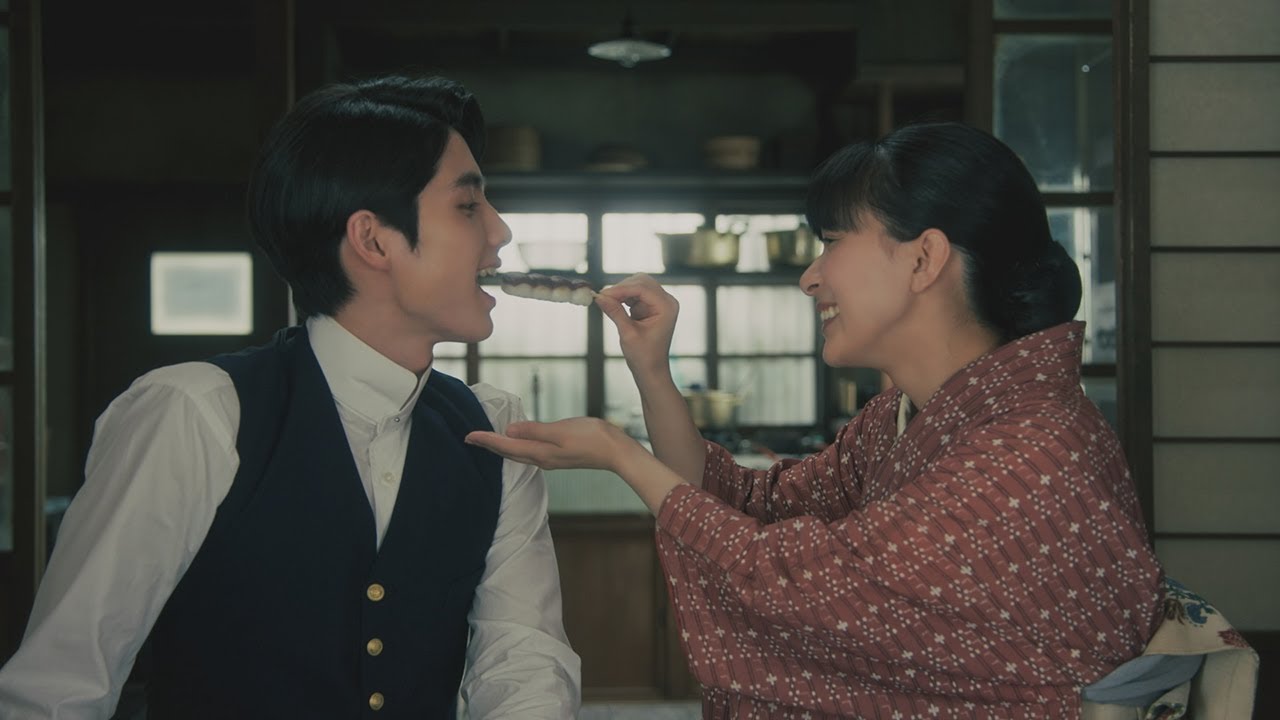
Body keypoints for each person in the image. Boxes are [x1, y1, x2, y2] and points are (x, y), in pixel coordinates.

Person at [465, 122, 1168, 718]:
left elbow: (788, 584)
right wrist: (652, 370)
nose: (810, 276)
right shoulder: (907, 416)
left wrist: (622, 453)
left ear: (924, 258)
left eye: (832, 241)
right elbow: (747, 505)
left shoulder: (1030, 455)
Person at [0, 75, 580, 719]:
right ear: (373, 240)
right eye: (468, 205)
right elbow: (60, 690)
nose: (499, 232)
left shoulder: (493, 431)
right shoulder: (195, 414)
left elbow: (523, 660)